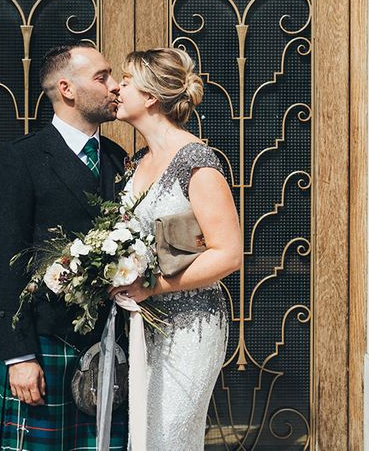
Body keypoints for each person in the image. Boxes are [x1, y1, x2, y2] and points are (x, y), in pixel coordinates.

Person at [0, 42, 129, 450]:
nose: (115, 86)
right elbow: (4, 262)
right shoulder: (22, 158)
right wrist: (19, 356)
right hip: (45, 347)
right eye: (102, 77)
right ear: (67, 88)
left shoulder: (119, 160)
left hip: (109, 346)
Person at [107, 47, 242, 450]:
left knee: (169, 437)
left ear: (149, 96)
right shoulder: (136, 162)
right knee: (144, 438)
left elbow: (228, 253)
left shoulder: (197, 161)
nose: (116, 88)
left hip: (191, 325)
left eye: (126, 82)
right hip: (143, 324)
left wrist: (155, 287)